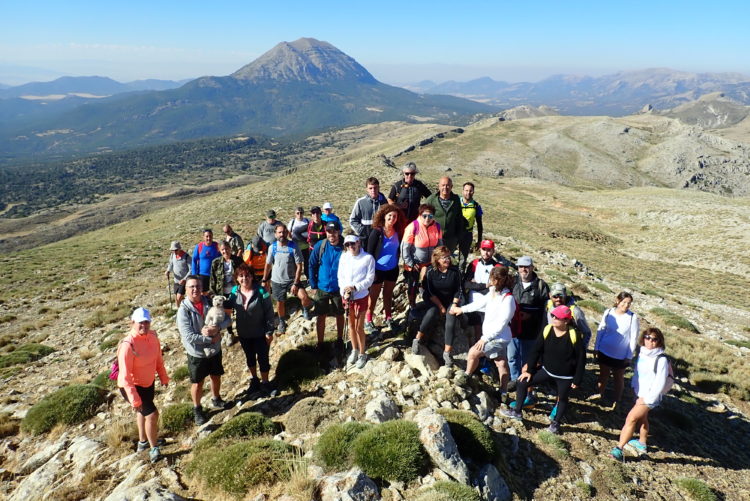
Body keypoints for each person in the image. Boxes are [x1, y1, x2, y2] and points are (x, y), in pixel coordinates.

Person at [501, 305, 585, 435]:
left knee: (562, 398)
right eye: (553, 315)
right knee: (522, 382)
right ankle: (517, 411)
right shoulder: (547, 329)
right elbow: (536, 350)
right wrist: (529, 369)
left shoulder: (574, 335)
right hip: (547, 370)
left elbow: (581, 359)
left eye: (557, 317)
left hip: (566, 376)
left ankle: (556, 424)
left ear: (566, 320)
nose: (553, 318)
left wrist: (577, 379)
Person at [451, 266, 515, 397]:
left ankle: (466, 378)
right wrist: (461, 309)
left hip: (498, 338)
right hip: (495, 336)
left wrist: (484, 339)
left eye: (492, 278)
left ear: (498, 280)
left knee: (473, 353)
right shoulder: (492, 292)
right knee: (501, 362)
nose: (490, 280)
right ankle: (503, 392)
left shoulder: (508, 299)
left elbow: (501, 324)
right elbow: (478, 304)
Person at [176, 276, 232, 426]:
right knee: (198, 382)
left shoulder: (211, 303)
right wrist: (209, 340)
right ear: (186, 289)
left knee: (216, 375)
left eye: (198, 286)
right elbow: (188, 336)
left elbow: (228, 319)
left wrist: (218, 328)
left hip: (214, 350)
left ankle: (216, 398)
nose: (195, 290)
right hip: (197, 353)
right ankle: (197, 409)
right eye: (192, 287)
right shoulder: (183, 311)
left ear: (202, 288)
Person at [117, 307, 169, 463]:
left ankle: (143, 442)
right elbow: (125, 376)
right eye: (140, 322)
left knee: (143, 413)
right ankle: (154, 449)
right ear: (132, 323)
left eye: (146, 322)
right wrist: (134, 399)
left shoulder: (153, 336)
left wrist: (163, 376)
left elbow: (158, 358)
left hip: (148, 382)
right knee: (152, 415)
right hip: (132, 386)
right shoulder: (128, 345)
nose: (144, 326)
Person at [610, 327, 669, 460]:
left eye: (654, 339)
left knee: (631, 418)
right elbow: (638, 373)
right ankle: (642, 443)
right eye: (647, 337)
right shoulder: (642, 353)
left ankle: (619, 449)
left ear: (659, 341)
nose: (650, 341)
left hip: (649, 397)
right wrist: (634, 387)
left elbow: (659, 383)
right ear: (643, 339)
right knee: (643, 418)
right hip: (640, 393)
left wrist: (646, 399)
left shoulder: (661, 360)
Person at [227, 264, 278, 398]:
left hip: (260, 333)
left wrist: (269, 332)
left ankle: (266, 383)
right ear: (237, 278)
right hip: (243, 333)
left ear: (252, 276)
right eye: (241, 276)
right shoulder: (234, 291)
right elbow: (228, 307)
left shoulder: (261, 291)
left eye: (247, 275)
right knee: (250, 358)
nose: (245, 278)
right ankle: (255, 380)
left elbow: (269, 312)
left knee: (263, 358)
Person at [410, 246, 463, 367]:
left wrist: (454, 305)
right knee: (432, 312)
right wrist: (440, 307)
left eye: (448, 257)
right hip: (433, 300)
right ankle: (417, 339)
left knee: (451, 319)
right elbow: (430, 291)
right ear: (437, 259)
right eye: (444, 258)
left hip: (450, 300)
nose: (447, 260)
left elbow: (458, 290)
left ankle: (447, 353)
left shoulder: (455, 271)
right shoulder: (430, 271)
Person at [509, 256, 549, 407]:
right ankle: (516, 386)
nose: (523, 270)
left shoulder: (541, 286)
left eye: (526, 267)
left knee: (527, 364)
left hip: (532, 332)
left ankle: (528, 394)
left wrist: (530, 315)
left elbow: (545, 311)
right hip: (513, 330)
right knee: (512, 358)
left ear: (532, 267)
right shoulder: (513, 282)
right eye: (520, 267)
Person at [262, 224, 313, 334]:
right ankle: (281, 321)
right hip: (277, 281)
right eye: (279, 232)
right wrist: (264, 279)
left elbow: (299, 266)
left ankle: (305, 309)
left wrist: (295, 283)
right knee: (280, 303)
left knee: (304, 297)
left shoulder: (293, 246)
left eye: (284, 232)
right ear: (275, 234)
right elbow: (268, 264)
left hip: (292, 281)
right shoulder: (273, 247)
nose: (282, 234)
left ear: (287, 233)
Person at [594, 291, 640, 407]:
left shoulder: (632, 318)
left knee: (618, 378)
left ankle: (617, 400)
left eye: (628, 303)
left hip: (620, 355)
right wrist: (596, 347)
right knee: (603, 374)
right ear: (617, 300)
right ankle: (599, 394)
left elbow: (633, 338)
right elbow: (601, 330)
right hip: (604, 350)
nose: (626, 305)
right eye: (624, 302)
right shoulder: (608, 312)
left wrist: (629, 356)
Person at [337, 234, 375, 369]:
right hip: (347, 296)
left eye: (352, 243)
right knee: (351, 325)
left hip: (361, 296)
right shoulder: (344, 256)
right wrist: (344, 291)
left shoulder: (368, 258)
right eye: (347, 245)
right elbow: (340, 276)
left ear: (358, 243)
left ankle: (362, 353)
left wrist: (355, 287)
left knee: (359, 326)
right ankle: (354, 349)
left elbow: (370, 278)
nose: (350, 247)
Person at [365, 204, 404, 333]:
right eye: (390, 216)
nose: (392, 218)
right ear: (384, 216)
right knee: (374, 296)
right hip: (378, 270)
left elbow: (398, 250)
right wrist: (371, 271)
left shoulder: (398, 232)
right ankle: (368, 320)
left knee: (388, 295)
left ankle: (388, 318)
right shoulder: (377, 232)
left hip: (392, 269)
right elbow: (369, 253)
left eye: (395, 216)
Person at [308, 222, 346, 351]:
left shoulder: (345, 246)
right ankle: (320, 343)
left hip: (339, 288)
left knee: (340, 314)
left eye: (334, 231)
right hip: (322, 287)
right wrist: (313, 284)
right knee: (321, 315)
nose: (332, 234)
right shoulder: (321, 245)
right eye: (329, 232)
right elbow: (312, 265)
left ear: (339, 232)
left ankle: (340, 339)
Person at [401, 203, 443, 307]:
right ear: (420, 215)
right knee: (413, 286)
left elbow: (439, 245)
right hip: (415, 264)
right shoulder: (413, 227)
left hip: (430, 263)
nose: (427, 218)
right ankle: (412, 306)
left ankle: (429, 304)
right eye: (424, 215)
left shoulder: (437, 226)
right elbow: (404, 247)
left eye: (430, 216)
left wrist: (439, 259)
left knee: (428, 286)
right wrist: (410, 262)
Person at [464, 239, 502, 343]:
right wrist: (485, 285)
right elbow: (466, 284)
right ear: (480, 250)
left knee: (486, 335)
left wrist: (475, 285)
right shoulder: (474, 264)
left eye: (489, 250)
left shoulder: (497, 267)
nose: (486, 252)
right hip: (473, 304)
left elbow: (497, 288)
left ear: (493, 251)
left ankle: (484, 358)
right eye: (484, 249)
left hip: (488, 306)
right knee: (474, 334)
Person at [424, 176, 467, 254]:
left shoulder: (456, 199)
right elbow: (422, 217)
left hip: (450, 240)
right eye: (443, 185)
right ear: (439, 186)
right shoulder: (431, 199)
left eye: (448, 185)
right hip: (434, 238)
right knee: (434, 259)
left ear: (451, 187)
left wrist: (458, 237)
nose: (445, 187)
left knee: (446, 260)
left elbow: (459, 219)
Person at [546, 283, 592, 349]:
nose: (558, 299)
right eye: (555, 296)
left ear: (565, 295)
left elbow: (587, 333)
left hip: (569, 350)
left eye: (561, 296)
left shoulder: (575, 311)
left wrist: (580, 351)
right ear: (550, 295)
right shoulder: (549, 305)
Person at [350, 177, 388, 250]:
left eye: (375, 188)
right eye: (370, 188)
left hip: (379, 237)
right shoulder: (360, 202)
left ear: (378, 188)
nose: (373, 190)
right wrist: (362, 231)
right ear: (366, 189)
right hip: (365, 239)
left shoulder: (384, 202)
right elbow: (353, 220)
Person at [458, 182, 484, 273]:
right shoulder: (456, 202)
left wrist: (479, 240)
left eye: (470, 191)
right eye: (466, 190)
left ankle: (460, 278)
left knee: (463, 259)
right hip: (454, 233)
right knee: (447, 255)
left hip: (467, 234)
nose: (468, 193)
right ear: (462, 191)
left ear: (473, 192)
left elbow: (479, 224)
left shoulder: (476, 206)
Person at [192, 229, 220, 294]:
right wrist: (194, 275)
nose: (208, 238)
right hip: (202, 275)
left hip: (214, 274)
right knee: (203, 294)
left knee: (214, 293)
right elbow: (194, 260)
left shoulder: (216, 246)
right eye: (207, 236)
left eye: (210, 236)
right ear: (203, 237)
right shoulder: (199, 246)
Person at [165, 241, 191, 309]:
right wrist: (168, 270)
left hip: (184, 281)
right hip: (176, 280)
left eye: (176, 250)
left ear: (179, 248)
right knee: (176, 298)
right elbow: (171, 264)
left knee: (179, 297)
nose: (174, 252)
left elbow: (191, 269)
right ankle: (181, 309)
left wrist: (185, 279)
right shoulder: (173, 255)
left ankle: (180, 311)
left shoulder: (186, 257)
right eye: (172, 250)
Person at [288, 207, 311, 279]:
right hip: (295, 247)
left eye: (301, 213)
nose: (299, 214)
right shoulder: (292, 222)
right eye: (298, 213)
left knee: (307, 263)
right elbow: (289, 232)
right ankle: (296, 278)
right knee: (296, 264)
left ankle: (308, 277)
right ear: (295, 214)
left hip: (306, 247)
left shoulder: (307, 221)